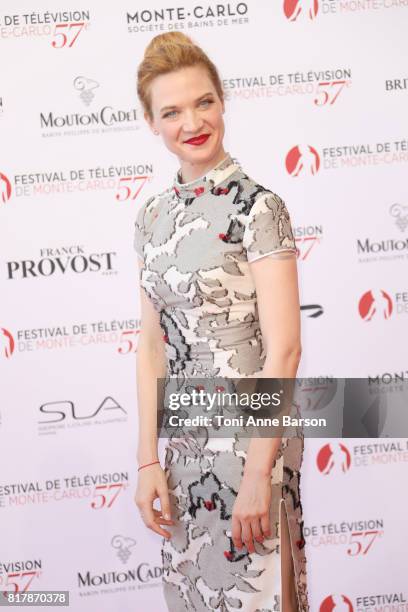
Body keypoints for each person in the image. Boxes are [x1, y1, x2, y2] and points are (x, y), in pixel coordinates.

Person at [133, 31, 309, 612]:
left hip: (250, 440)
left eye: (203, 102)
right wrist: (148, 461)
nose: (192, 122)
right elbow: (152, 348)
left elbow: (283, 351)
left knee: (255, 598)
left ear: (222, 102)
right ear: (152, 123)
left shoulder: (259, 207)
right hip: (183, 447)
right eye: (172, 111)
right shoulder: (151, 218)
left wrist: (261, 472)